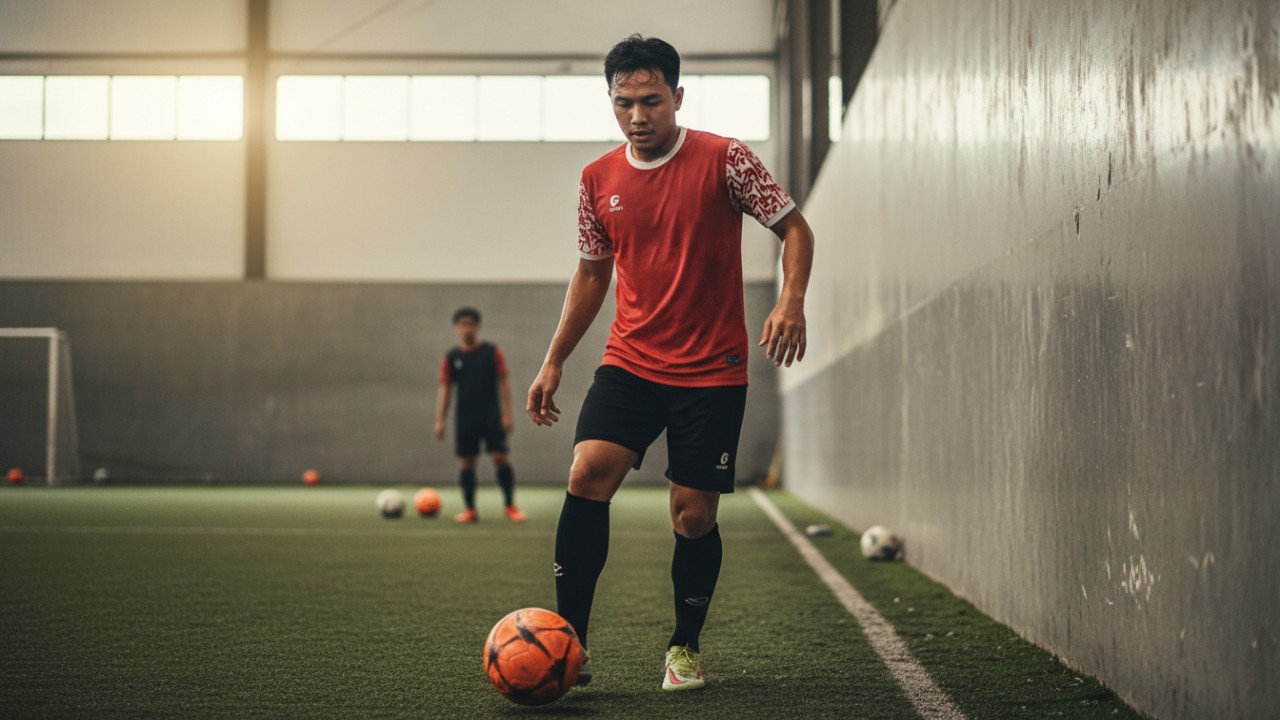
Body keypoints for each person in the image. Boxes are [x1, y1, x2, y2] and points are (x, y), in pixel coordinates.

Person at [526, 35, 814, 692]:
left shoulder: (726, 160)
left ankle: (684, 647)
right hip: (630, 361)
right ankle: (570, 644)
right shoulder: (596, 180)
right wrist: (553, 363)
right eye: (623, 103)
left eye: (651, 101)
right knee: (587, 471)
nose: (637, 116)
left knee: (693, 516)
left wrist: (791, 299)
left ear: (677, 97)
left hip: (712, 371)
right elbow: (592, 276)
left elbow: (795, 228)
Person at [435, 307, 525, 523]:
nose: (467, 328)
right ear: (457, 328)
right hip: (465, 417)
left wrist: (507, 414)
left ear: (477, 326)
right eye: (462, 324)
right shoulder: (451, 357)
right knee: (467, 462)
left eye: (471, 324)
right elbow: (446, 388)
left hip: (491, 415)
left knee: (499, 457)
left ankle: (510, 506)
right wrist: (440, 420)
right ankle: (470, 509)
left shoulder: (492, 352)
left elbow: (503, 382)